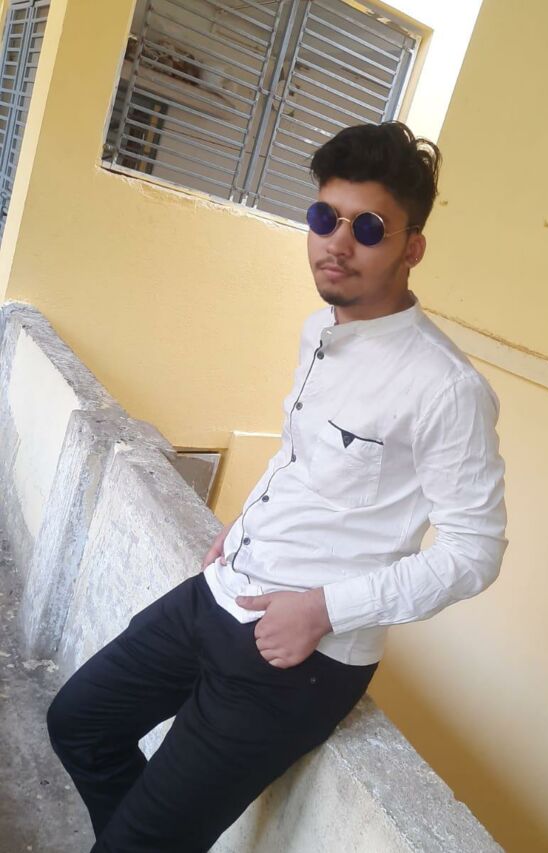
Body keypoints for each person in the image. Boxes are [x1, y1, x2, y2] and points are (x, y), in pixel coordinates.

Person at [47, 121, 508, 852]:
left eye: (368, 228)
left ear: (411, 248)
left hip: (299, 658)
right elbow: (300, 448)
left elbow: (474, 552)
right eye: (325, 217)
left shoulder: (444, 386)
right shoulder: (317, 330)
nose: (337, 243)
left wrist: (324, 608)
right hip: (223, 589)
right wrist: (244, 523)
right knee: (78, 722)